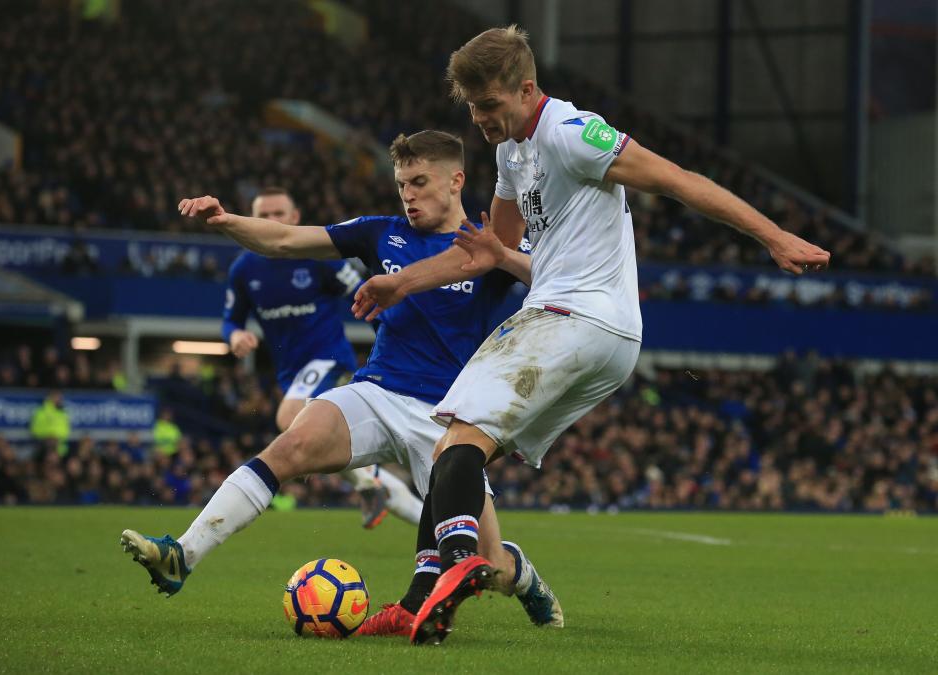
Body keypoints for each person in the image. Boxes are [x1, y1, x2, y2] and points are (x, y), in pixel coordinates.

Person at [351, 25, 832, 645]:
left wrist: (773, 235)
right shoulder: (509, 154)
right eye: (472, 108)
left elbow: (677, 178)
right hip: (589, 330)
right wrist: (403, 283)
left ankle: (462, 563)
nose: (481, 119)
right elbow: (490, 252)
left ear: (527, 89)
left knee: (458, 440)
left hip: (575, 316)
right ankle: (433, 596)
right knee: (454, 451)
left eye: (491, 105)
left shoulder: (573, 132)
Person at [119, 130, 561, 634]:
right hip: (376, 390)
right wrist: (226, 221)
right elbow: (287, 240)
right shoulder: (381, 233)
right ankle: (183, 554)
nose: (408, 195)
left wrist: (501, 256)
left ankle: (521, 574)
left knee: (490, 569)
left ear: (456, 180)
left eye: (419, 182)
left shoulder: (485, 242)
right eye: (401, 185)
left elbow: (553, 277)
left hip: (451, 422)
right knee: (291, 445)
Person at [222, 186, 421, 528]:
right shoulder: (244, 270)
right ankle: (386, 493)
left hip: (329, 359)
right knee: (321, 443)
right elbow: (231, 319)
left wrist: (391, 353)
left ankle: (370, 483)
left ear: (294, 218)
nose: (271, 220)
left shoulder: (319, 260)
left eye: (278, 214)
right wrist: (236, 335)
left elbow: (371, 300)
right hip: (290, 372)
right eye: (263, 215)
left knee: (288, 419)